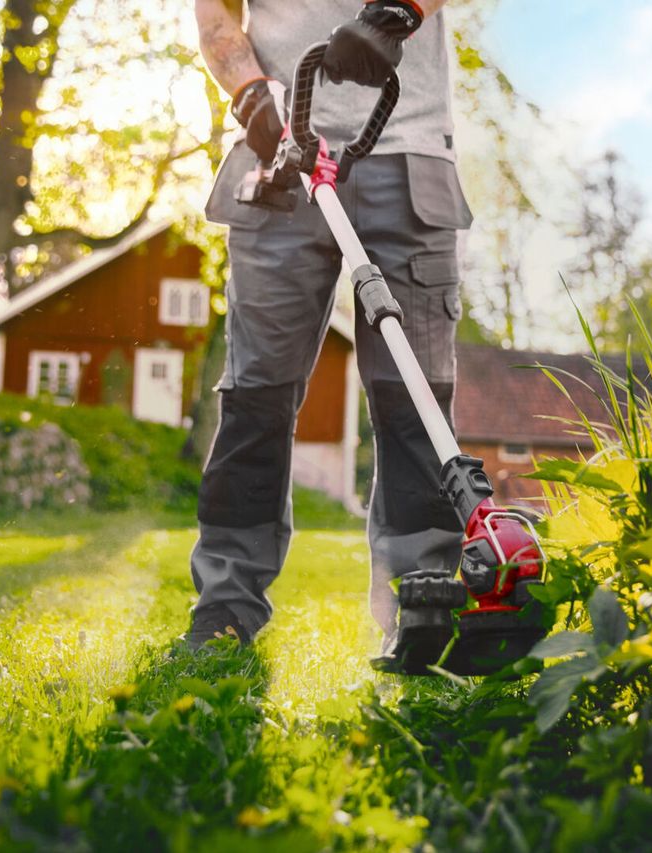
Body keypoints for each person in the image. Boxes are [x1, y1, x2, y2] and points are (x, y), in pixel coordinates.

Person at [187, 0, 471, 654]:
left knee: (414, 398)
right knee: (255, 396)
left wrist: (395, 15)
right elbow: (215, 15)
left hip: (410, 153)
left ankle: (424, 602)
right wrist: (249, 94)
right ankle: (225, 609)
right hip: (277, 161)